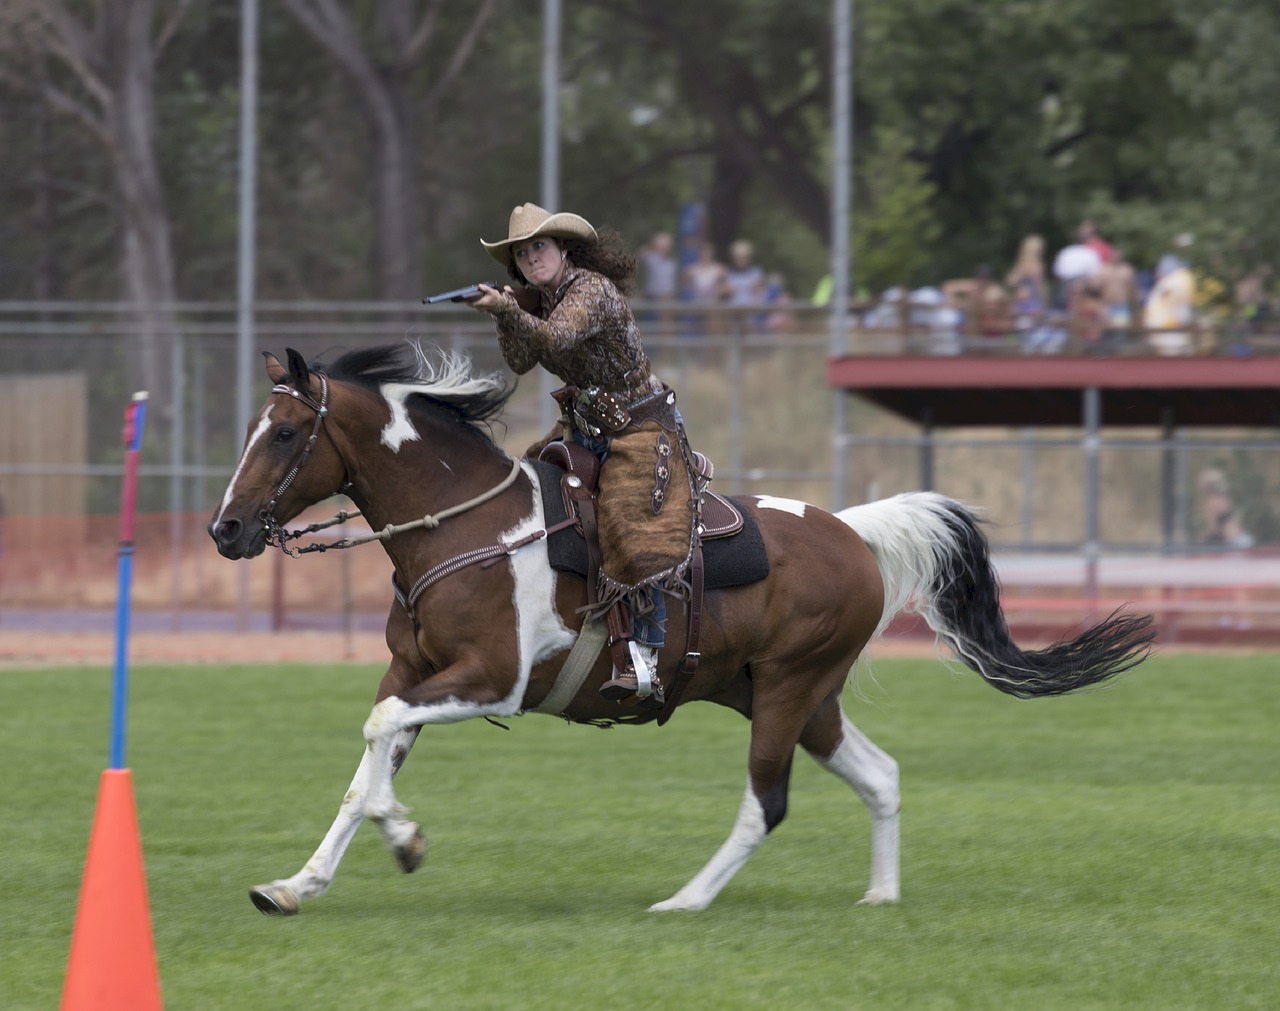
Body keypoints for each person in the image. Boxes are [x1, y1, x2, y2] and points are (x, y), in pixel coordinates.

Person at [468, 202, 687, 702]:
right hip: (583, 424)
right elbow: (522, 360)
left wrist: (508, 308)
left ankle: (647, 659)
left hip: (639, 425)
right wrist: (509, 313)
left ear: (564, 249)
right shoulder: (540, 300)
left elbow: (556, 337)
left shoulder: (590, 289)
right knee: (527, 489)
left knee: (632, 530)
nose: (530, 259)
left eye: (538, 247)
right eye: (521, 255)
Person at [1198, 469, 1253, 549]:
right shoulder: (1224, 499)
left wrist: (1202, 540)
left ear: (1207, 486)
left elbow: (1213, 529)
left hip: (1232, 544)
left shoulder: (1211, 503)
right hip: (1243, 538)